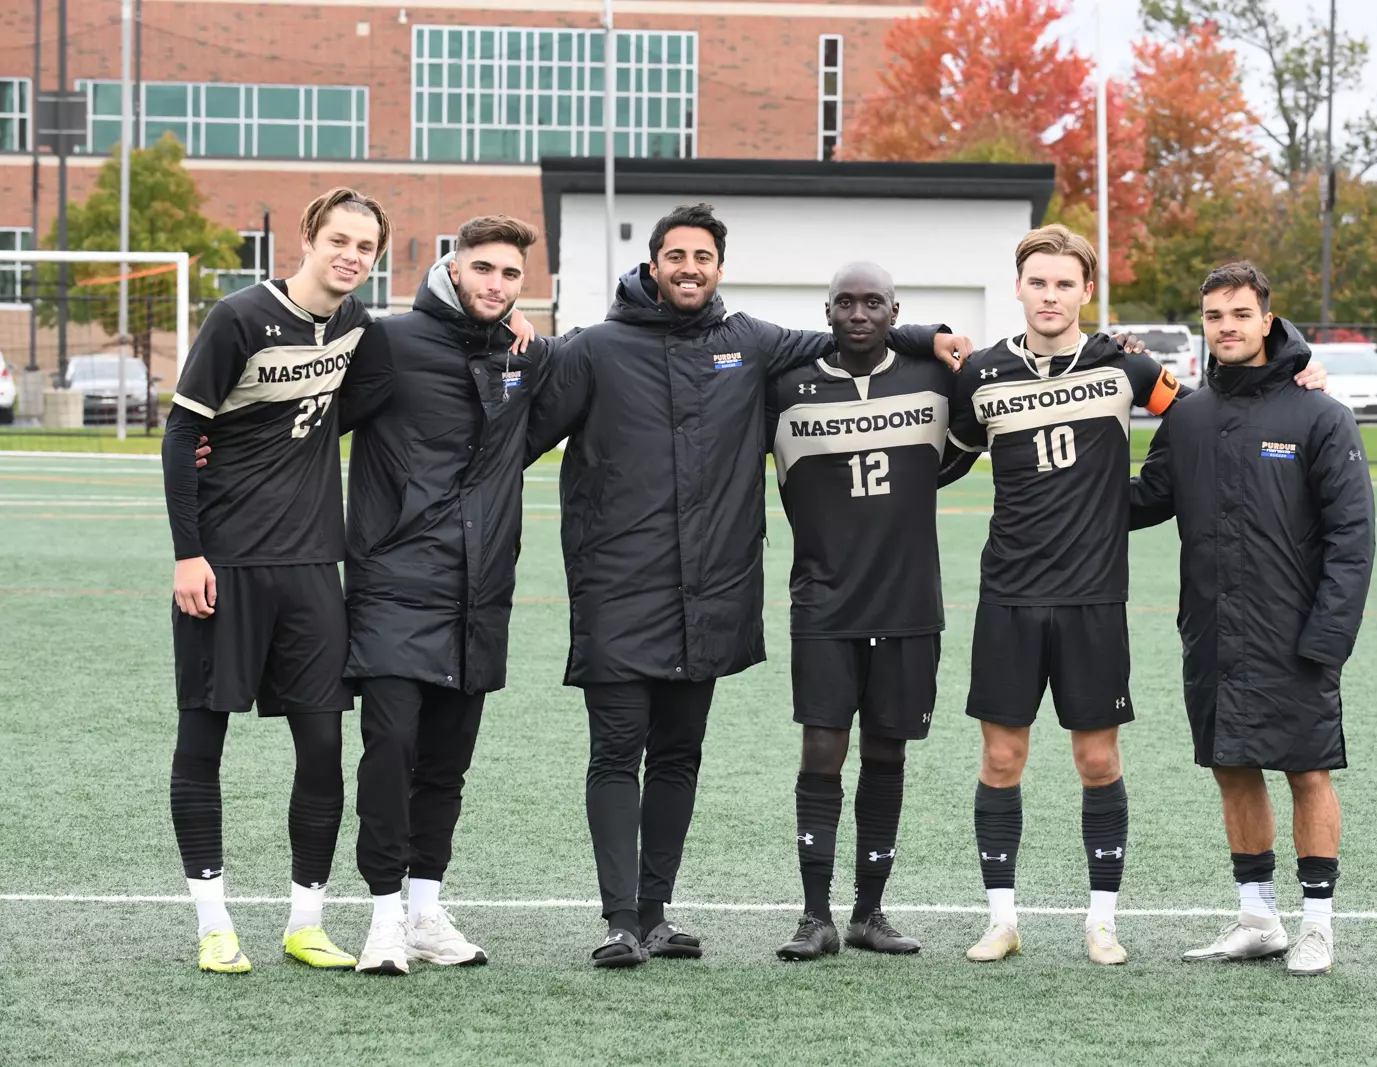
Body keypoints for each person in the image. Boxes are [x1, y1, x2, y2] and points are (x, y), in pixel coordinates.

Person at [526, 203, 970, 968]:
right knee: (615, 754)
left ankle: (657, 916)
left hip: (706, 598)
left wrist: (923, 334)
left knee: (677, 757)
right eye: (676, 256)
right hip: (617, 591)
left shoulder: (749, 342)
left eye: (702, 256)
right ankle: (620, 920)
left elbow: (850, 332)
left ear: (718, 267)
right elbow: (522, 432)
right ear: (654, 264)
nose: (689, 268)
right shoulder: (594, 349)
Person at [943, 226, 1327, 968]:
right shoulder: (981, 375)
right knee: (1001, 756)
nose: (1050, 295)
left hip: (1092, 595)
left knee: (1097, 760)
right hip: (1009, 594)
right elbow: (943, 459)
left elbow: (1211, 410)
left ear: (1086, 291)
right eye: (1038, 282)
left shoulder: (1125, 366)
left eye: (1065, 283)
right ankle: (1002, 919)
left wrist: (1298, 367)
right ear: (1018, 287)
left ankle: (1102, 922)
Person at [162, 188, 390, 974]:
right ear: (309, 237)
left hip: (310, 570)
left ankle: (306, 920)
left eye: (365, 246)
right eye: (339, 239)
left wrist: (518, 325)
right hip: (223, 565)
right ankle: (213, 921)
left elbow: (402, 366)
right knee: (203, 738)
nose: (351, 255)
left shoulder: (361, 329)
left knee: (324, 745)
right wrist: (189, 554)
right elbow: (182, 429)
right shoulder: (237, 317)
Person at [1129, 262, 1375, 978]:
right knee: (1231, 767)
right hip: (1212, 630)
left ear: (1267, 320)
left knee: (1307, 772)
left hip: (1294, 636)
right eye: (1214, 316)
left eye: (1240, 313)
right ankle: (1258, 917)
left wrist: (1328, 638)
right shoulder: (1191, 415)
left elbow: (1352, 536)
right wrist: (1064, 476)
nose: (1227, 326)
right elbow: (1147, 499)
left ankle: (1319, 924)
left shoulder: (1319, 413)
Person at [336, 216, 568, 975]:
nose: (496, 284)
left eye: (510, 275)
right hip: (395, 586)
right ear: (452, 267)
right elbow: (309, 424)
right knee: (390, 748)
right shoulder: (389, 342)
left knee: (445, 765)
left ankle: (426, 910)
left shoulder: (523, 359)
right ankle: (380, 920)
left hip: (479, 595)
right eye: (483, 269)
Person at [766, 262, 972, 961]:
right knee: (822, 749)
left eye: (873, 302)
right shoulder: (785, 387)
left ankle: (870, 911)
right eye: (846, 302)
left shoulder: (935, 380)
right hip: (822, 602)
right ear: (826, 311)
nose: (859, 312)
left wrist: (932, 337)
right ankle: (814, 913)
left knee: (888, 750)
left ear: (894, 310)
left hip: (910, 603)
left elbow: (965, 446)